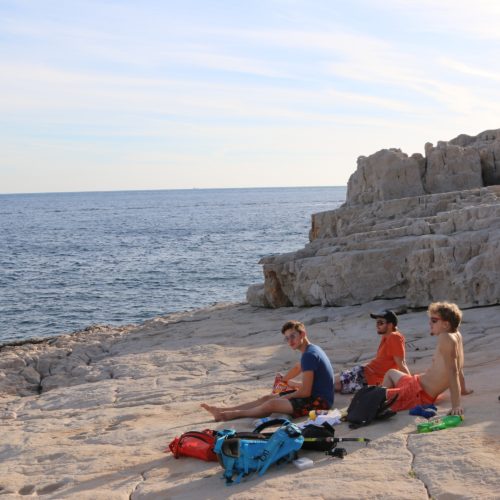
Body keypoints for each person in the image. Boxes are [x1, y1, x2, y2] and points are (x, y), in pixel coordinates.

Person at [201, 320, 334, 422]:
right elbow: (298, 368)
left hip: (320, 402)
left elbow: (305, 392)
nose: (290, 341)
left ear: (302, 334)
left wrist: (287, 396)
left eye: (292, 336)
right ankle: (222, 410)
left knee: (271, 404)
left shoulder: (309, 355)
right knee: (267, 397)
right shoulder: (311, 349)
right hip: (315, 395)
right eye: (287, 338)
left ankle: (234, 414)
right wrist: (285, 381)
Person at [383, 302, 473, 415]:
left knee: (375, 395)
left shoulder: (446, 338)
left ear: (446, 324)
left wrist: (456, 405)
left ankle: (384, 404)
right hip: (416, 383)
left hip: (419, 393)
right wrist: (463, 390)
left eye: (434, 321)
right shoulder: (456, 335)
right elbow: (459, 366)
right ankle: (386, 401)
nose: (430, 323)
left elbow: (453, 371)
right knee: (391, 373)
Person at [335, 309, 410, 393]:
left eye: (381, 323)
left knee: (330, 384)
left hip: (367, 378)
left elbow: (401, 363)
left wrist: (411, 384)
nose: (377, 325)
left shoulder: (394, 337)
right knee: (329, 380)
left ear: (390, 325)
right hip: (364, 372)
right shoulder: (386, 336)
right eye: (377, 322)